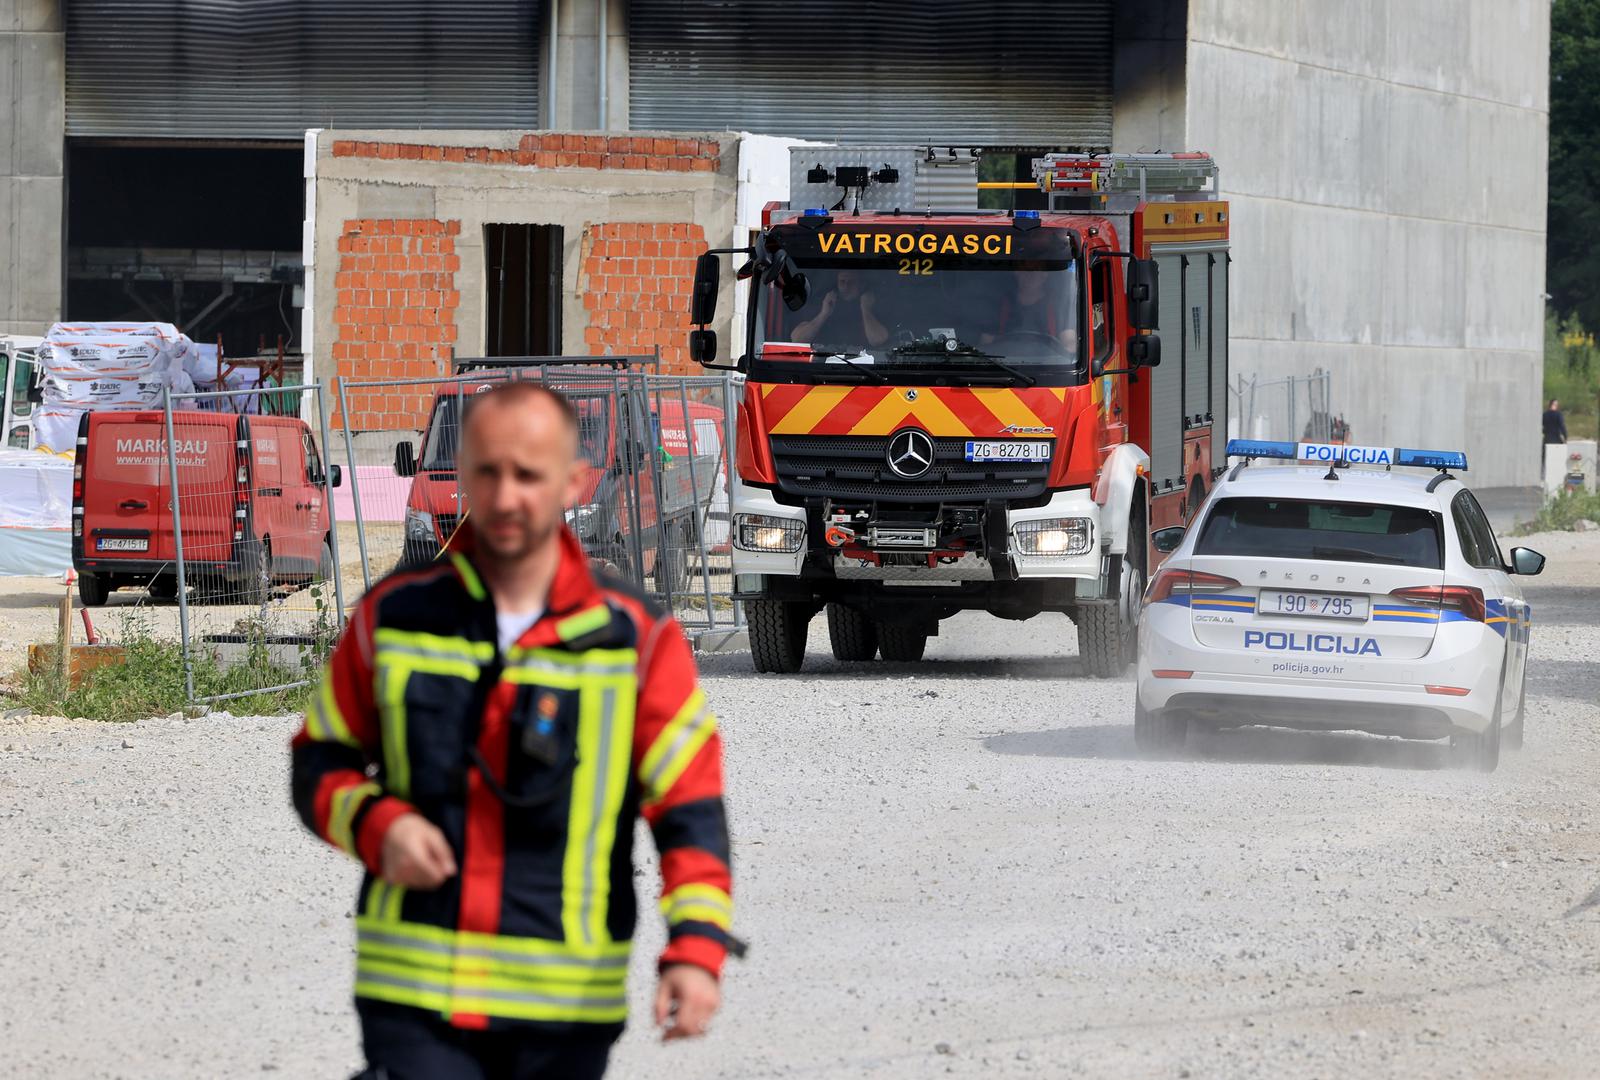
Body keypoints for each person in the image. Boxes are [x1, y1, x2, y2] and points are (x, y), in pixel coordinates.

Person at [291, 382, 734, 1080]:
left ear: (574, 482)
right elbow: (318, 762)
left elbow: (690, 811)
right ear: (461, 474)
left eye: (528, 475)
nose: (504, 497)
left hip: (564, 1011)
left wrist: (697, 948)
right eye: (487, 472)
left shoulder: (634, 640)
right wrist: (377, 825)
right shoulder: (393, 618)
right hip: (412, 996)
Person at [790, 268, 888, 349]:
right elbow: (797, 339)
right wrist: (823, 314)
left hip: (864, 366)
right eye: (842, 282)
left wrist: (866, 310)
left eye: (851, 282)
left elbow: (878, 340)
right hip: (822, 364)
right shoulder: (823, 303)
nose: (846, 286)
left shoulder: (873, 304)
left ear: (861, 285)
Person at [1543, 398, 1567, 479]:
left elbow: (1543, 425)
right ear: (1555, 405)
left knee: (1546, 457)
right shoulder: (1558, 414)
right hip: (1556, 438)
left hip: (1547, 438)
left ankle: (1546, 475)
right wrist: (1565, 436)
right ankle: (1556, 475)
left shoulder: (1545, 414)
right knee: (1557, 458)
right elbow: (1562, 426)